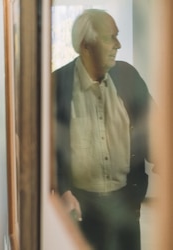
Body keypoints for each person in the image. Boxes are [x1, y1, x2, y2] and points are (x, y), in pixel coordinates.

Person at [54, 9, 154, 250]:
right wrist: (62, 190)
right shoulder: (56, 84)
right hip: (80, 210)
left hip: (125, 206)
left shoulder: (128, 76)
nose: (118, 45)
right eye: (110, 37)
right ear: (86, 45)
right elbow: (45, 150)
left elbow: (154, 129)